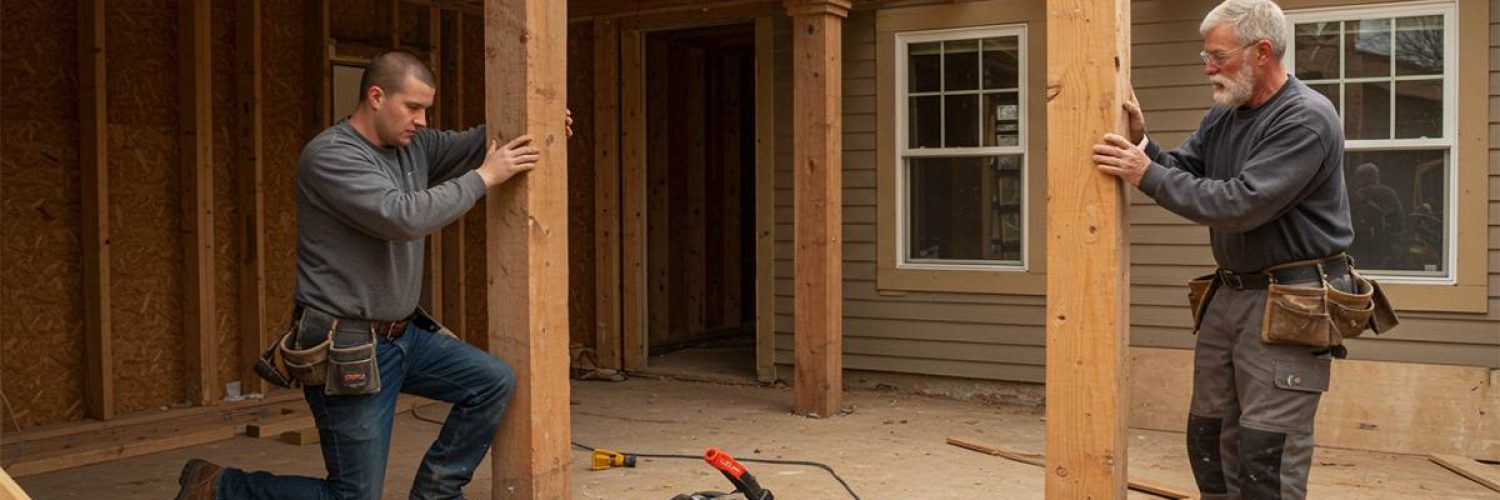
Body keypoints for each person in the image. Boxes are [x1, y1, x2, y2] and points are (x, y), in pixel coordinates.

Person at [174, 50, 569, 500]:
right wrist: (484, 178)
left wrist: (543, 121)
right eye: (413, 107)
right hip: (348, 346)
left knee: (492, 381)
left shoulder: (412, 146)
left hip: (404, 338)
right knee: (353, 495)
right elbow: (401, 216)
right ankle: (219, 486)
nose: (422, 120)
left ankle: (437, 493)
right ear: (376, 96)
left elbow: (481, 140)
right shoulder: (330, 156)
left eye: (427, 110)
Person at [1090, 1, 1353, 498]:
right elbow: (1183, 170)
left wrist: (1144, 174)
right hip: (1230, 294)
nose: (1207, 66)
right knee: (1208, 435)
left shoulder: (1306, 119)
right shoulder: (1226, 113)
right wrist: (1143, 145)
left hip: (1289, 301)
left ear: (1262, 52)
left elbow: (1242, 203)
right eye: (1205, 55)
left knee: (1264, 452)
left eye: (1217, 55)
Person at [1347, 162, 1405, 269]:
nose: (1357, 182)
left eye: (1360, 177)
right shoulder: (1356, 196)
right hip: (1363, 246)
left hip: (1386, 246)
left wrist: (1367, 202)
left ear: (1371, 177)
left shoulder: (1387, 193)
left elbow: (1385, 217)